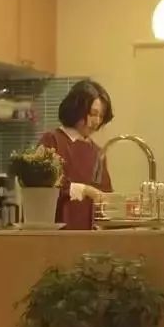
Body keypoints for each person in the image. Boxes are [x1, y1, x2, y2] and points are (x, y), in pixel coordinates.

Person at [37, 80, 114, 230]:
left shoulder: (97, 153)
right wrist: (84, 190)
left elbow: (105, 194)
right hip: (55, 232)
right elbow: (43, 187)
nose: (97, 121)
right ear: (76, 110)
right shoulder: (52, 140)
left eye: (101, 116)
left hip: (87, 235)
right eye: (93, 114)